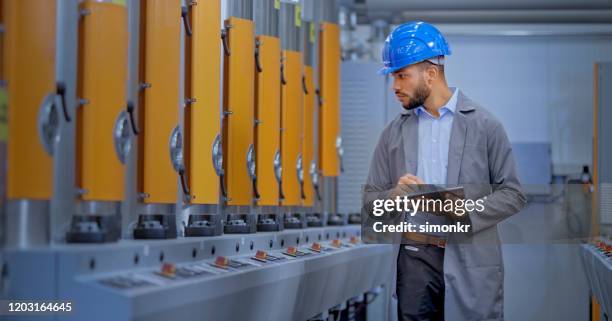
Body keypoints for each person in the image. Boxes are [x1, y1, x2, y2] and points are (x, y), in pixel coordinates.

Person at [365, 21, 526, 321]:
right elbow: (371, 203)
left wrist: (462, 213)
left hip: (470, 257)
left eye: (402, 75)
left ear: (431, 73)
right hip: (414, 259)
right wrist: (394, 196)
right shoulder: (392, 134)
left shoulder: (485, 126)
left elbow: (513, 194)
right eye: (392, 76)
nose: (395, 86)